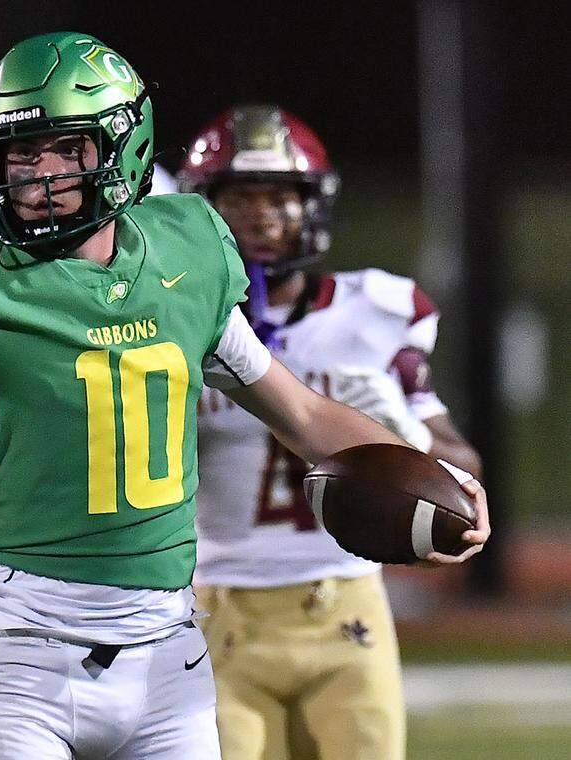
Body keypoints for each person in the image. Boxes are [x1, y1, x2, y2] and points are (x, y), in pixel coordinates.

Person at [0, 32, 490, 760]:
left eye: (62, 152)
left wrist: (429, 469)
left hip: (150, 643)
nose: (37, 180)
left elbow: (302, 412)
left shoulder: (186, 253)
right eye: (17, 157)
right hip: (8, 630)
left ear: (121, 146)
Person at [180, 105, 483, 760]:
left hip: (345, 607)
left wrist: (406, 436)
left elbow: (464, 471)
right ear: (204, 210)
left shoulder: (373, 312)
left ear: (311, 206)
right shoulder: (177, 322)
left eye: (279, 198)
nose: (261, 217)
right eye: (240, 199)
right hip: (215, 608)